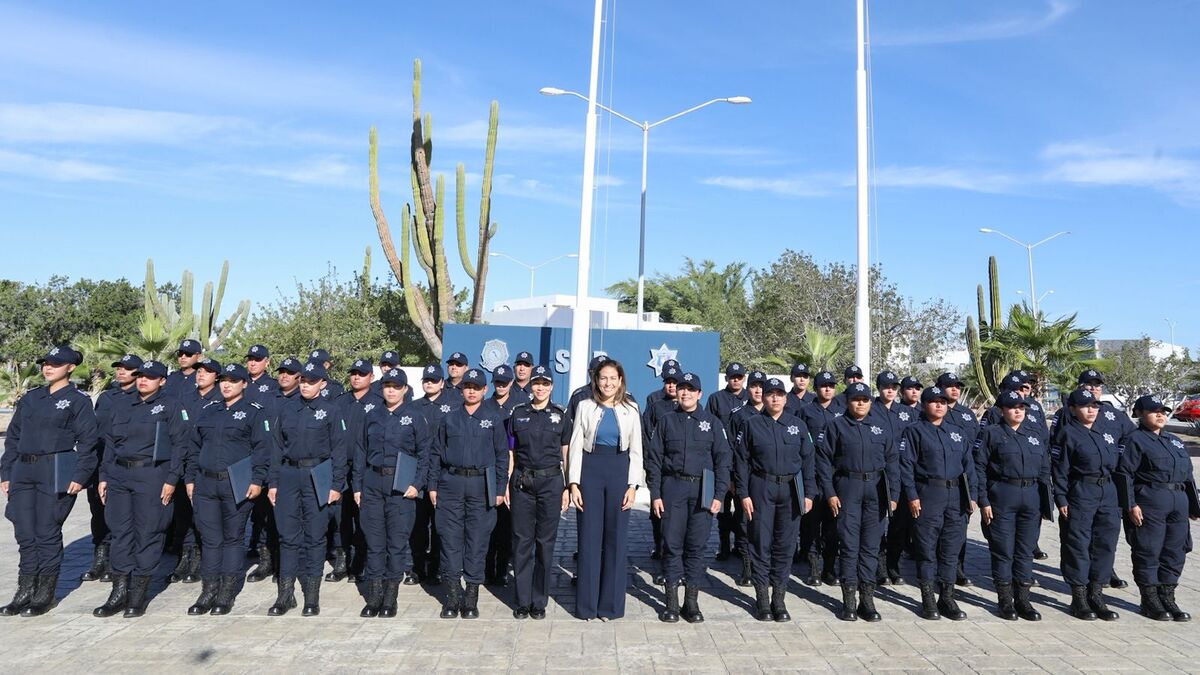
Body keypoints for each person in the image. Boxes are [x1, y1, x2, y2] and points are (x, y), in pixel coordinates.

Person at [0, 345, 98, 617]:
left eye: (55, 364)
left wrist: (80, 476)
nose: (47, 367)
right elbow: (14, 437)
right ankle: (24, 590)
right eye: (45, 363)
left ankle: (45, 593)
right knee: (24, 533)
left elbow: (89, 443)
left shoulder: (78, 400)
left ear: (70, 367)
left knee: (46, 532)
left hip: (56, 470)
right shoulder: (31, 399)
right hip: (23, 471)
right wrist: (6, 472)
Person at [92, 360, 191, 618]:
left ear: (162, 381)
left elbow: (181, 445)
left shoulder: (170, 405)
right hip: (120, 475)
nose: (143, 380)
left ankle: (138, 594)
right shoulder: (122, 404)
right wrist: (104, 475)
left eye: (150, 377)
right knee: (120, 532)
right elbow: (111, 444)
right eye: (140, 376)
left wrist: (172, 479)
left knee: (148, 532)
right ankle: (119, 592)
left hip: (152, 475)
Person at [184, 363, 273, 616]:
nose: (226, 384)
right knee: (210, 540)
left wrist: (257, 480)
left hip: (237, 483)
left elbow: (262, 450)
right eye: (223, 379)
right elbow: (194, 447)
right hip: (205, 483)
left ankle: (226, 593)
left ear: (244, 384)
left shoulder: (255, 413)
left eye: (233, 381)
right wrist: (190, 479)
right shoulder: (208, 411)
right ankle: (208, 591)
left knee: (233, 539)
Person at [646, 372, 732, 623]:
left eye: (691, 390)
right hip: (673, 487)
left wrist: (719, 494)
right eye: (682, 389)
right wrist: (655, 494)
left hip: (702, 489)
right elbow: (654, 460)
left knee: (696, 547)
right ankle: (671, 602)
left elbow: (723, 461)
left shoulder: (712, 423)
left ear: (699, 394)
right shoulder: (666, 421)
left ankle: (691, 602)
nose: (685, 393)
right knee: (671, 546)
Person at [266, 361, 348, 617]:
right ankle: (285, 595)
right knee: (288, 537)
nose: (305, 385)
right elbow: (276, 448)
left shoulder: (332, 411)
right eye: (303, 381)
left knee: (314, 537)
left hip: (318, 476)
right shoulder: (286, 409)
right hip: (289, 476)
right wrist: (273, 483)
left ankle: (311, 597)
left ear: (323, 384)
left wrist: (336, 485)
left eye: (312, 382)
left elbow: (339, 451)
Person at [734, 377, 816, 622]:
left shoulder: (798, 426)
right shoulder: (751, 424)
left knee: (785, 544)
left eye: (779, 394)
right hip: (761, 487)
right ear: (764, 397)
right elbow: (741, 461)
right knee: (760, 542)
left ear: (786, 397)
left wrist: (809, 493)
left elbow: (809, 461)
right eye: (770, 394)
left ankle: (778, 600)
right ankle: (762, 599)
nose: (775, 398)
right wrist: (743, 493)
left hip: (791, 489)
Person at [430, 368, 509, 619]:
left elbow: (501, 456)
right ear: (461, 389)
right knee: (450, 539)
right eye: (468, 387)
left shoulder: (494, 418)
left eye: (477, 387)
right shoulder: (449, 418)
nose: (472, 390)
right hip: (450, 483)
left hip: (480, 485)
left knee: (477, 540)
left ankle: (471, 596)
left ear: (485, 390)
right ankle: (452, 596)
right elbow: (435, 454)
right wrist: (432, 486)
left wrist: (499, 488)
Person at [817, 382, 899, 622]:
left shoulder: (880, 428)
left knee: (871, 547)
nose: (860, 403)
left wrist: (893, 495)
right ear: (848, 401)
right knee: (850, 545)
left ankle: (867, 599)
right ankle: (849, 600)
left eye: (865, 399)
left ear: (870, 403)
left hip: (875, 491)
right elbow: (823, 462)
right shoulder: (836, 427)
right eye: (856, 399)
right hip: (848, 488)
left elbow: (893, 461)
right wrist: (830, 493)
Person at [569, 359, 643, 621]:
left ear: (620, 380)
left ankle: (610, 607)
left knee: (615, 539)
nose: (608, 383)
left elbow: (637, 450)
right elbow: (576, 445)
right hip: (590, 470)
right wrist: (573, 483)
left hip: (619, 470)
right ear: (596, 380)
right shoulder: (585, 406)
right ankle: (587, 607)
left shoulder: (631, 409)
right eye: (603, 378)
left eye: (613, 378)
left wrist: (633, 486)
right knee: (589, 538)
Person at [355, 368, 431, 618]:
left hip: (401, 486)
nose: (391, 390)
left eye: (396, 386)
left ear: (405, 390)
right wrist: (357, 486)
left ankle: (390, 597)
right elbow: (360, 452)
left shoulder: (415, 416)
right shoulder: (371, 415)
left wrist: (416, 484)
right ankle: (374, 596)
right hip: (373, 483)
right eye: (387, 385)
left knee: (396, 544)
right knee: (375, 544)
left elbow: (424, 454)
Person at [900, 385, 977, 621]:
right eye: (934, 401)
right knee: (926, 550)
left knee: (950, 550)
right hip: (928, 494)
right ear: (925, 405)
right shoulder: (914, 431)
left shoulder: (956, 432)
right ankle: (928, 600)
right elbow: (906, 467)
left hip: (955, 497)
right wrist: (912, 496)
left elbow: (969, 466)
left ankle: (947, 597)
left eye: (943, 401)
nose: (940, 405)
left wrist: (972, 495)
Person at [1117, 395, 1196, 622]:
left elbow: (1188, 474)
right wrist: (1130, 504)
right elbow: (1124, 474)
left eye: (1163, 411)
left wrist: (1193, 505)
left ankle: (1167, 596)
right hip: (1150, 499)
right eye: (1154, 411)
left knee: (1175, 550)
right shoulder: (1135, 440)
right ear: (1140, 414)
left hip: (1178, 500)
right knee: (1148, 550)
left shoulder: (1174, 440)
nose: (1160, 415)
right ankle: (1150, 599)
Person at [973, 390, 1050, 621]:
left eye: (1022, 407)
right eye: (1012, 407)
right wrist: (984, 500)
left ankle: (1024, 600)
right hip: (1003, 495)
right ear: (1001, 410)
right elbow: (979, 468)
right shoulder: (991, 434)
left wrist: (1047, 502)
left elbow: (1045, 468)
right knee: (1003, 550)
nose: (1018, 411)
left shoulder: (1034, 434)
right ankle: (1005, 601)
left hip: (1031, 496)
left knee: (1025, 550)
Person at [507, 365, 571, 620]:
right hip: (522, 482)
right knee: (522, 543)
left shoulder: (561, 415)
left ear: (552, 386)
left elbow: (566, 453)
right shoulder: (517, 414)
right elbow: (511, 453)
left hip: (551, 483)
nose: (540, 387)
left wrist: (568, 486)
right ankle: (522, 601)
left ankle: (539, 601)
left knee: (545, 544)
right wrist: (506, 484)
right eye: (536, 383)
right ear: (530, 386)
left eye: (545, 383)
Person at [1051, 388, 1121, 621]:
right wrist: (1061, 498)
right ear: (1073, 409)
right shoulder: (1068, 434)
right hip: (1081, 491)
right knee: (1078, 544)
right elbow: (1060, 470)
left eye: (1095, 406)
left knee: (1105, 544)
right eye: (1085, 406)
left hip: (1108, 493)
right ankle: (1079, 597)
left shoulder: (1106, 433)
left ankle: (1096, 593)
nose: (1091, 410)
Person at [85, 354, 143, 585]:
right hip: (101, 461)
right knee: (98, 511)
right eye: (119, 367)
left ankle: (118, 562)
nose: (121, 371)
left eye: (127, 368)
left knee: (122, 517)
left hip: (125, 463)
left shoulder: (141, 398)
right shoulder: (107, 397)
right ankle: (100, 555)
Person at [170, 357, 223, 585]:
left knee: (203, 516)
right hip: (183, 462)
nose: (201, 375)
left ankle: (200, 557)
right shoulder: (185, 398)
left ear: (216, 377)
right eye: (199, 371)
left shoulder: (220, 400)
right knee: (182, 513)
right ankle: (185, 556)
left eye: (207, 372)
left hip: (206, 466)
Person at [330, 358, 383, 584]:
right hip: (341, 466)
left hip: (367, 469)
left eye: (361, 374)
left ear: (371, 377)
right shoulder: (340, 402)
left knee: (364, 517)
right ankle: (341, 561)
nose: (356, 377)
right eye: (353, 373)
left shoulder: (379, 403)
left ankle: (360, 562)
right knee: (340, 516)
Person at [411, 364, 458, 584]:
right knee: (418, 523)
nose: (429, 383)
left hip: (441, 472)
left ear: (442, 383)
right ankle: (417, 567)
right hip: (418, 471)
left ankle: (438, 567)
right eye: (426, 380)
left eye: (434, 380)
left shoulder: (453, 405)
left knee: (441, 524)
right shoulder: (413, 407)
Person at [482, 364, 526, 587]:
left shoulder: (518, 407)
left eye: (504, 382)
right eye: (497, 382)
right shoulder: (484, 406)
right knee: (487, 525)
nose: (501, 385)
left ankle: (501, 571)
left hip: (509, 471)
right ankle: (487, 570)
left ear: (511, 383)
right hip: (486, 471)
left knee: (507, 526)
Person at [936, 372, 980, 587]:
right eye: (949, 386)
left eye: (957, 386)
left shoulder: (967, 414)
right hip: (941, 478)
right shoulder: (933, 413)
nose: (955, 389)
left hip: (965, 475)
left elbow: (977, 445)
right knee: (938, 528)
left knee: (960, 526)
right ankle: (940, 567)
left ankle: (958, 567)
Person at [798, 370, 841, 586]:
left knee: (833, 526)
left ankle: (830, 569)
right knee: (811, 525)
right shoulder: (806, 412)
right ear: (815, 388)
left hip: (835, 477)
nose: (827, 389)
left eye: (831, 386)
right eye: (823, 385)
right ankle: (814, 567)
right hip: (813, 475)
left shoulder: (841, 411)